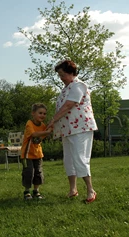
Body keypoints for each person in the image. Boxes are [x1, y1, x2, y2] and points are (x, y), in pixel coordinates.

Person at [47, 59, 98, 203]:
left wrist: (53, 120)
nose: (61, 78)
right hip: (68, 129)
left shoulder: (78, 85)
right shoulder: (66, 88)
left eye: (62, 74)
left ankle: (90, 190)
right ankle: (73, 190)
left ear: (71, 73)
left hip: (81, 128)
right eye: (59, 75)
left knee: (80, 158)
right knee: (68, 160)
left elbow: (69, 105)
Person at [20, 103, 52, 200]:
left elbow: (43, 135)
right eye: (40, 113)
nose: (42, 115)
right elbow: (34, 134)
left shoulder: (42, 125)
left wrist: (50, 127)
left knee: (38, 172)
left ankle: (36, 191)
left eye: (44, 114)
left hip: (37, 154)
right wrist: (47, 131)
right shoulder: (29, 123)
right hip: (27, 154)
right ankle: (27, 191)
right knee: (29, 172)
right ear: (33, 113)